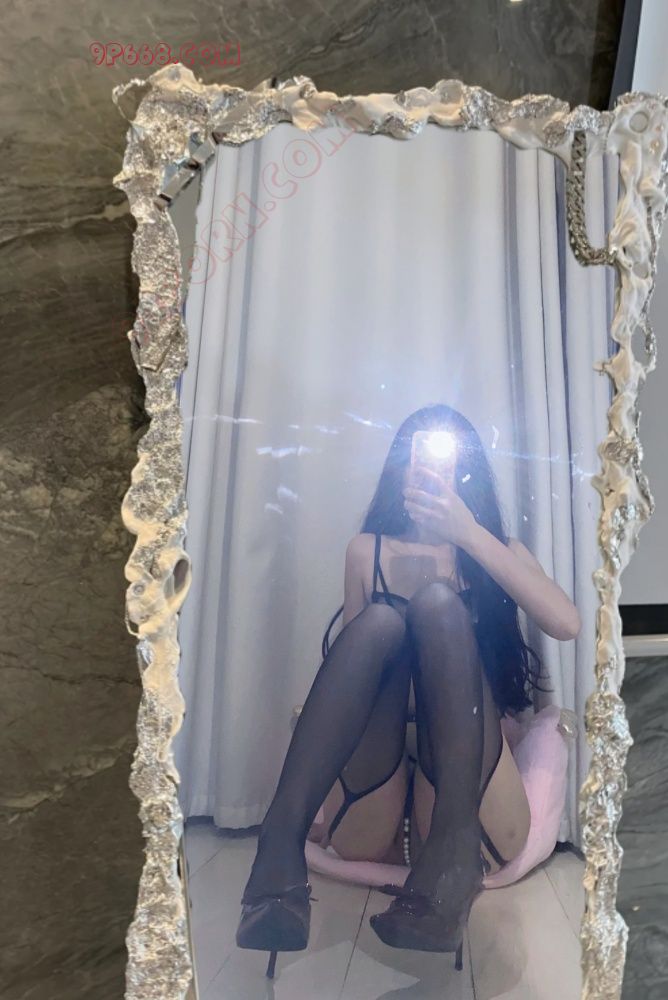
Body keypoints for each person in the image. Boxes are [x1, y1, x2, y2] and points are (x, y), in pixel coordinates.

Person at [236, 404, 581, 975]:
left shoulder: (497, 550)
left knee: (438, 605)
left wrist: (467, 534)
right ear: (401, 466)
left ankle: (450, 860)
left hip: (473, 800)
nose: (429, 469)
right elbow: (355, 688)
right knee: (379, 623)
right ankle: (279, 846)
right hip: (378, 792)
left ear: (465, 471)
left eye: (443, 458)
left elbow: (566, 624)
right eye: (417, 455)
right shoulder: (365, 550)